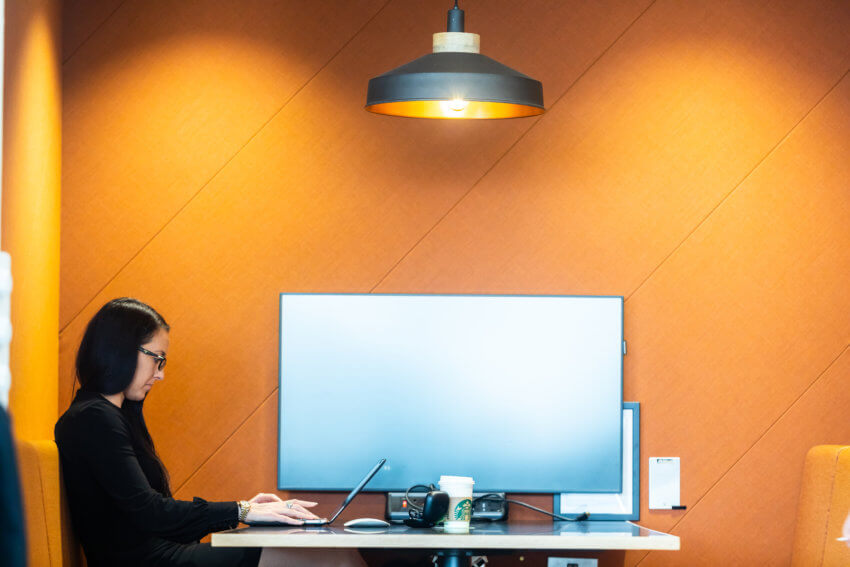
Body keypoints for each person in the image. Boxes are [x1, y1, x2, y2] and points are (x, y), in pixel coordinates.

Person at [55, 298, 367, 566]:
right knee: (337, 558)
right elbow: (152, 513)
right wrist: (243, 511)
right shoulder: (93, 418)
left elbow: (154, 515)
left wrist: (246, 510)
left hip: (161, 553)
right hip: (147, 561)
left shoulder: (110, 415)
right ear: (122, 349)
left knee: (337, 555)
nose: (160, 374)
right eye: (158, 359)